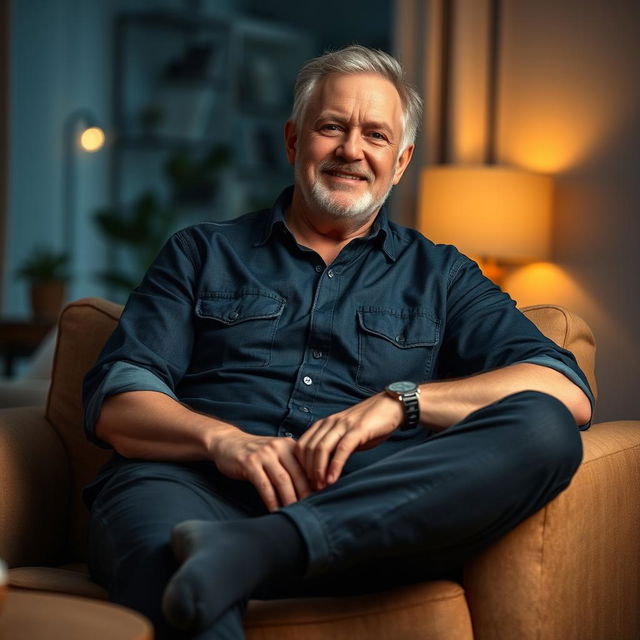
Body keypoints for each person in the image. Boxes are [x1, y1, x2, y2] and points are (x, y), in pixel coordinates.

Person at [83, 45, 593, 640]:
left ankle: (256, 549)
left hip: (366, 513)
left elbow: (564, 390)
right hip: (194, 489)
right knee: (173, 568)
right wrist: (223, 440)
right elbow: (119, 397)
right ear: (294, 142)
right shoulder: (201, 252)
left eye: (376, 136)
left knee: (545, 426)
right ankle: (234, 550)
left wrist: (400, 401)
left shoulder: (445, 275)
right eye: (332, 127)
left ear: (399, 162)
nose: (352, 150)